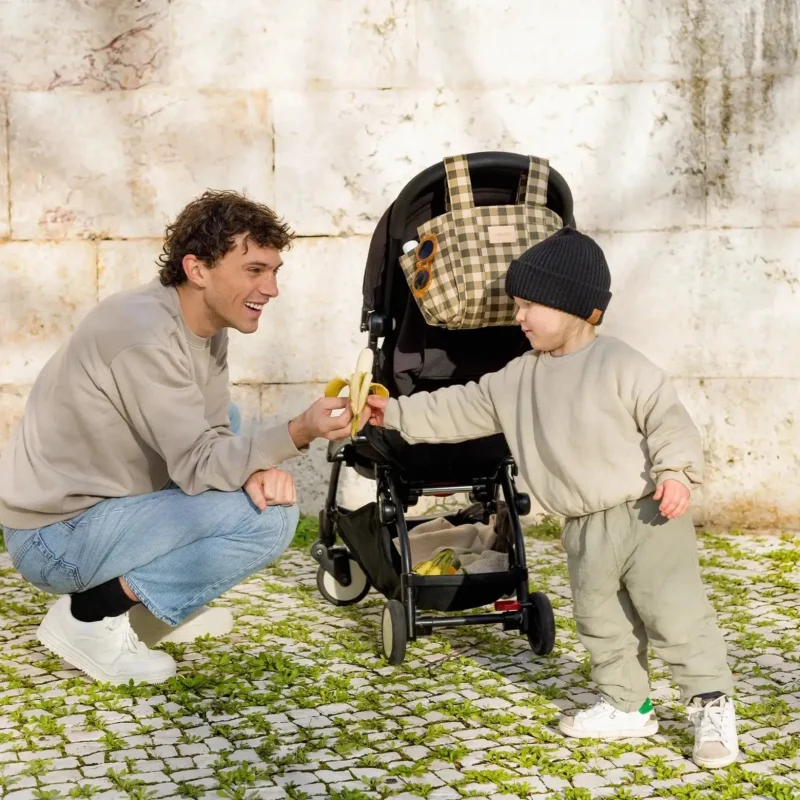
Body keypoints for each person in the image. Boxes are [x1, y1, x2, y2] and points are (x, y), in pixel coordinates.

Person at [364, 227, 738, 769]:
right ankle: (628, 704)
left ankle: (710, 704)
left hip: (648, 513)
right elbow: (460, 407)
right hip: (583, 526)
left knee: (674, 615)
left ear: (574, 307)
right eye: (517, 304)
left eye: (529, 304)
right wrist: (394, 414)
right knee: (600, 619)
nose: (519, 316)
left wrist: (677, 473)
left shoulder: (621, 365)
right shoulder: (519, 377)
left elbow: (668, 420)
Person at [0, 191, 354, 685]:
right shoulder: (142, 332)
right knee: (270, 520)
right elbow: (199, 462)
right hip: (56, 537)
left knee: (228, 422)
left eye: (274, 271)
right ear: (198, 268)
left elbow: (211, 432)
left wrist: (253, 467)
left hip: (105, 508)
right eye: (254, 270)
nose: (271, 288)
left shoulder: (204, 325)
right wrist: (298, 432)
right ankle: (88, 616)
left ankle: (147, 610)